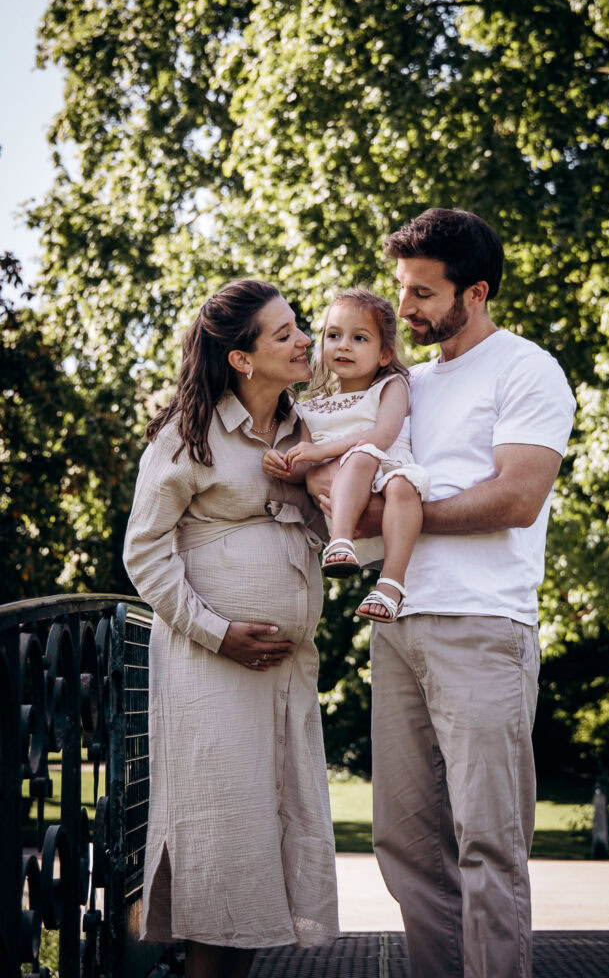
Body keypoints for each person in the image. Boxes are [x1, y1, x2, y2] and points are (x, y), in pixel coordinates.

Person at [313, 209, 576, 978]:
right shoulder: (404, 384)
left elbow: (516, 498)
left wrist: (400, 516)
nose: (404, 308)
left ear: (476, 291)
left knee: (488, 842)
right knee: (404, 845)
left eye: (422, 293)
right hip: (395, 626)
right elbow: (345, 483)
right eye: (401, 288)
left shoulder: (526, 369)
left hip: (483, 626)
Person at [123, 279, 339, 978]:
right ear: (242, 359)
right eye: (284, 333)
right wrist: (217, 632)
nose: (304, 339)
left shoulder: (308, 430)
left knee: (257, 857)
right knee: (221, 849)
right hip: (210, 668)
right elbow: (144, 554)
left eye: (298, 326)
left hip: (283, 673)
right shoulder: (188, 436)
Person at [262, 288, 430, 621]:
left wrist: (321, 450)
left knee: (375, 464)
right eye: (334, 335)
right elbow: (307, 464)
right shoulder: (311, 407)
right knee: (350, 461)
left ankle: (391, 585)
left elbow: (382, 436)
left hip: (387, 478)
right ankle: (340, 545)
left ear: (385, 354)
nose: (343, 346)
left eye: (359, 338)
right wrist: (283, 464)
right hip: (344, 506)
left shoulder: (391, 386)